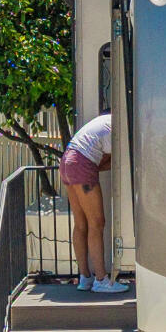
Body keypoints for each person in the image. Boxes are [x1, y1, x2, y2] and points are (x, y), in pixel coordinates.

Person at [59, 112, 125, 294]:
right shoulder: (117, 128)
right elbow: (118, 160)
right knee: (97, 223)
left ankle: (85, 278)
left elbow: (102, 160)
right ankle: (101, 280)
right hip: (81, 166)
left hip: (67, 161)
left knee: (81, 224)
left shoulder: (105, 122)